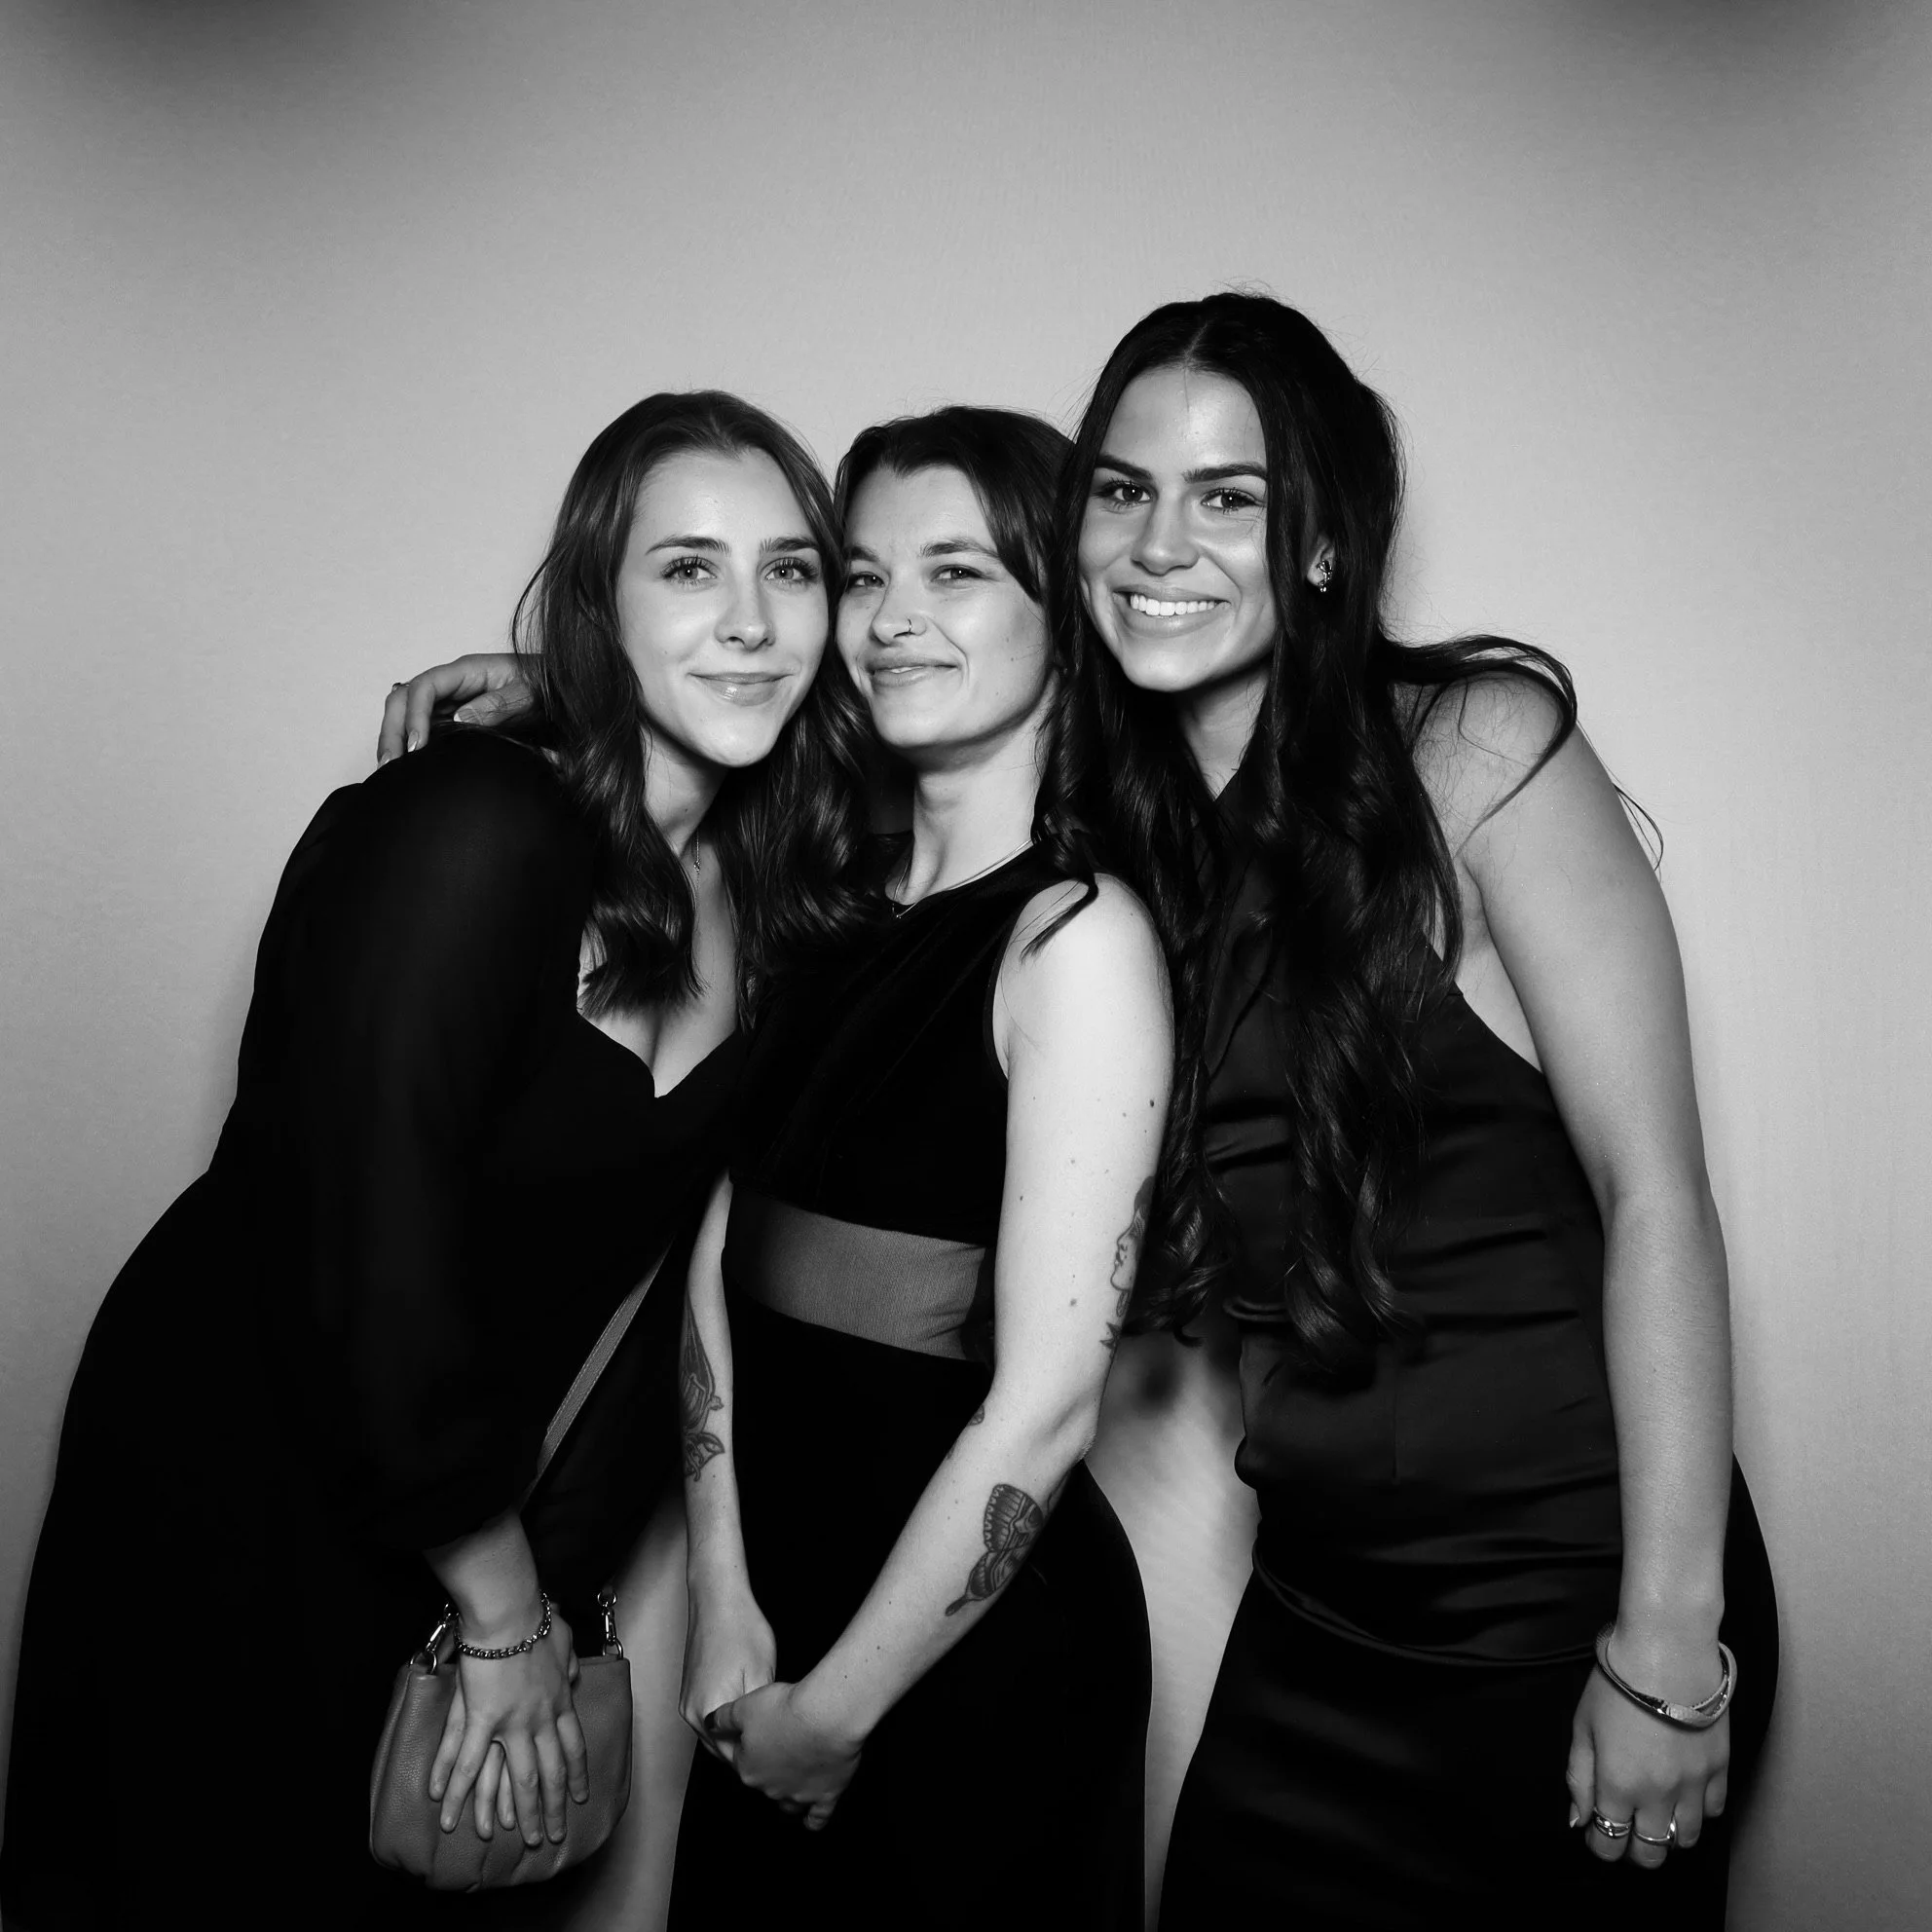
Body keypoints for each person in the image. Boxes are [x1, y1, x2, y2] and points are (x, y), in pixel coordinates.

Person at [1, 390, 872, 1930]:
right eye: (686, 570)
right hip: (248, 1487)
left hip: (472, 1531)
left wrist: (530, 1591)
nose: (748, 620)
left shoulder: (783, 899)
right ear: (601, 603)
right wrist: (498, 1610)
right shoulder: (469, 825)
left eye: (789, 572)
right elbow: (360, 1234)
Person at [1059, 293, 1779, 1929]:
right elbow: (878, 730)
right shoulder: (1119, 835)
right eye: (1120, 489)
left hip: (1570, 1617)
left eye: (1227, 497)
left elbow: (1655, 1192)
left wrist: (1670, 1650)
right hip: (1321, 1616)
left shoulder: (1475, 747)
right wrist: (592, 697)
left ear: (1320, 541)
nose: (1159, 542)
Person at [664, 408, 1163, 1930]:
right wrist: (721, 1596)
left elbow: (1052, 1398)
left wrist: (844, 1709)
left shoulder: (1076, 942)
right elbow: (717, 1258)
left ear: (1059, 617)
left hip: (962, 1671)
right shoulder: (826, 907)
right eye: (863, 576)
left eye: (955, 574)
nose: (890, 622)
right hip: (766, 1634)